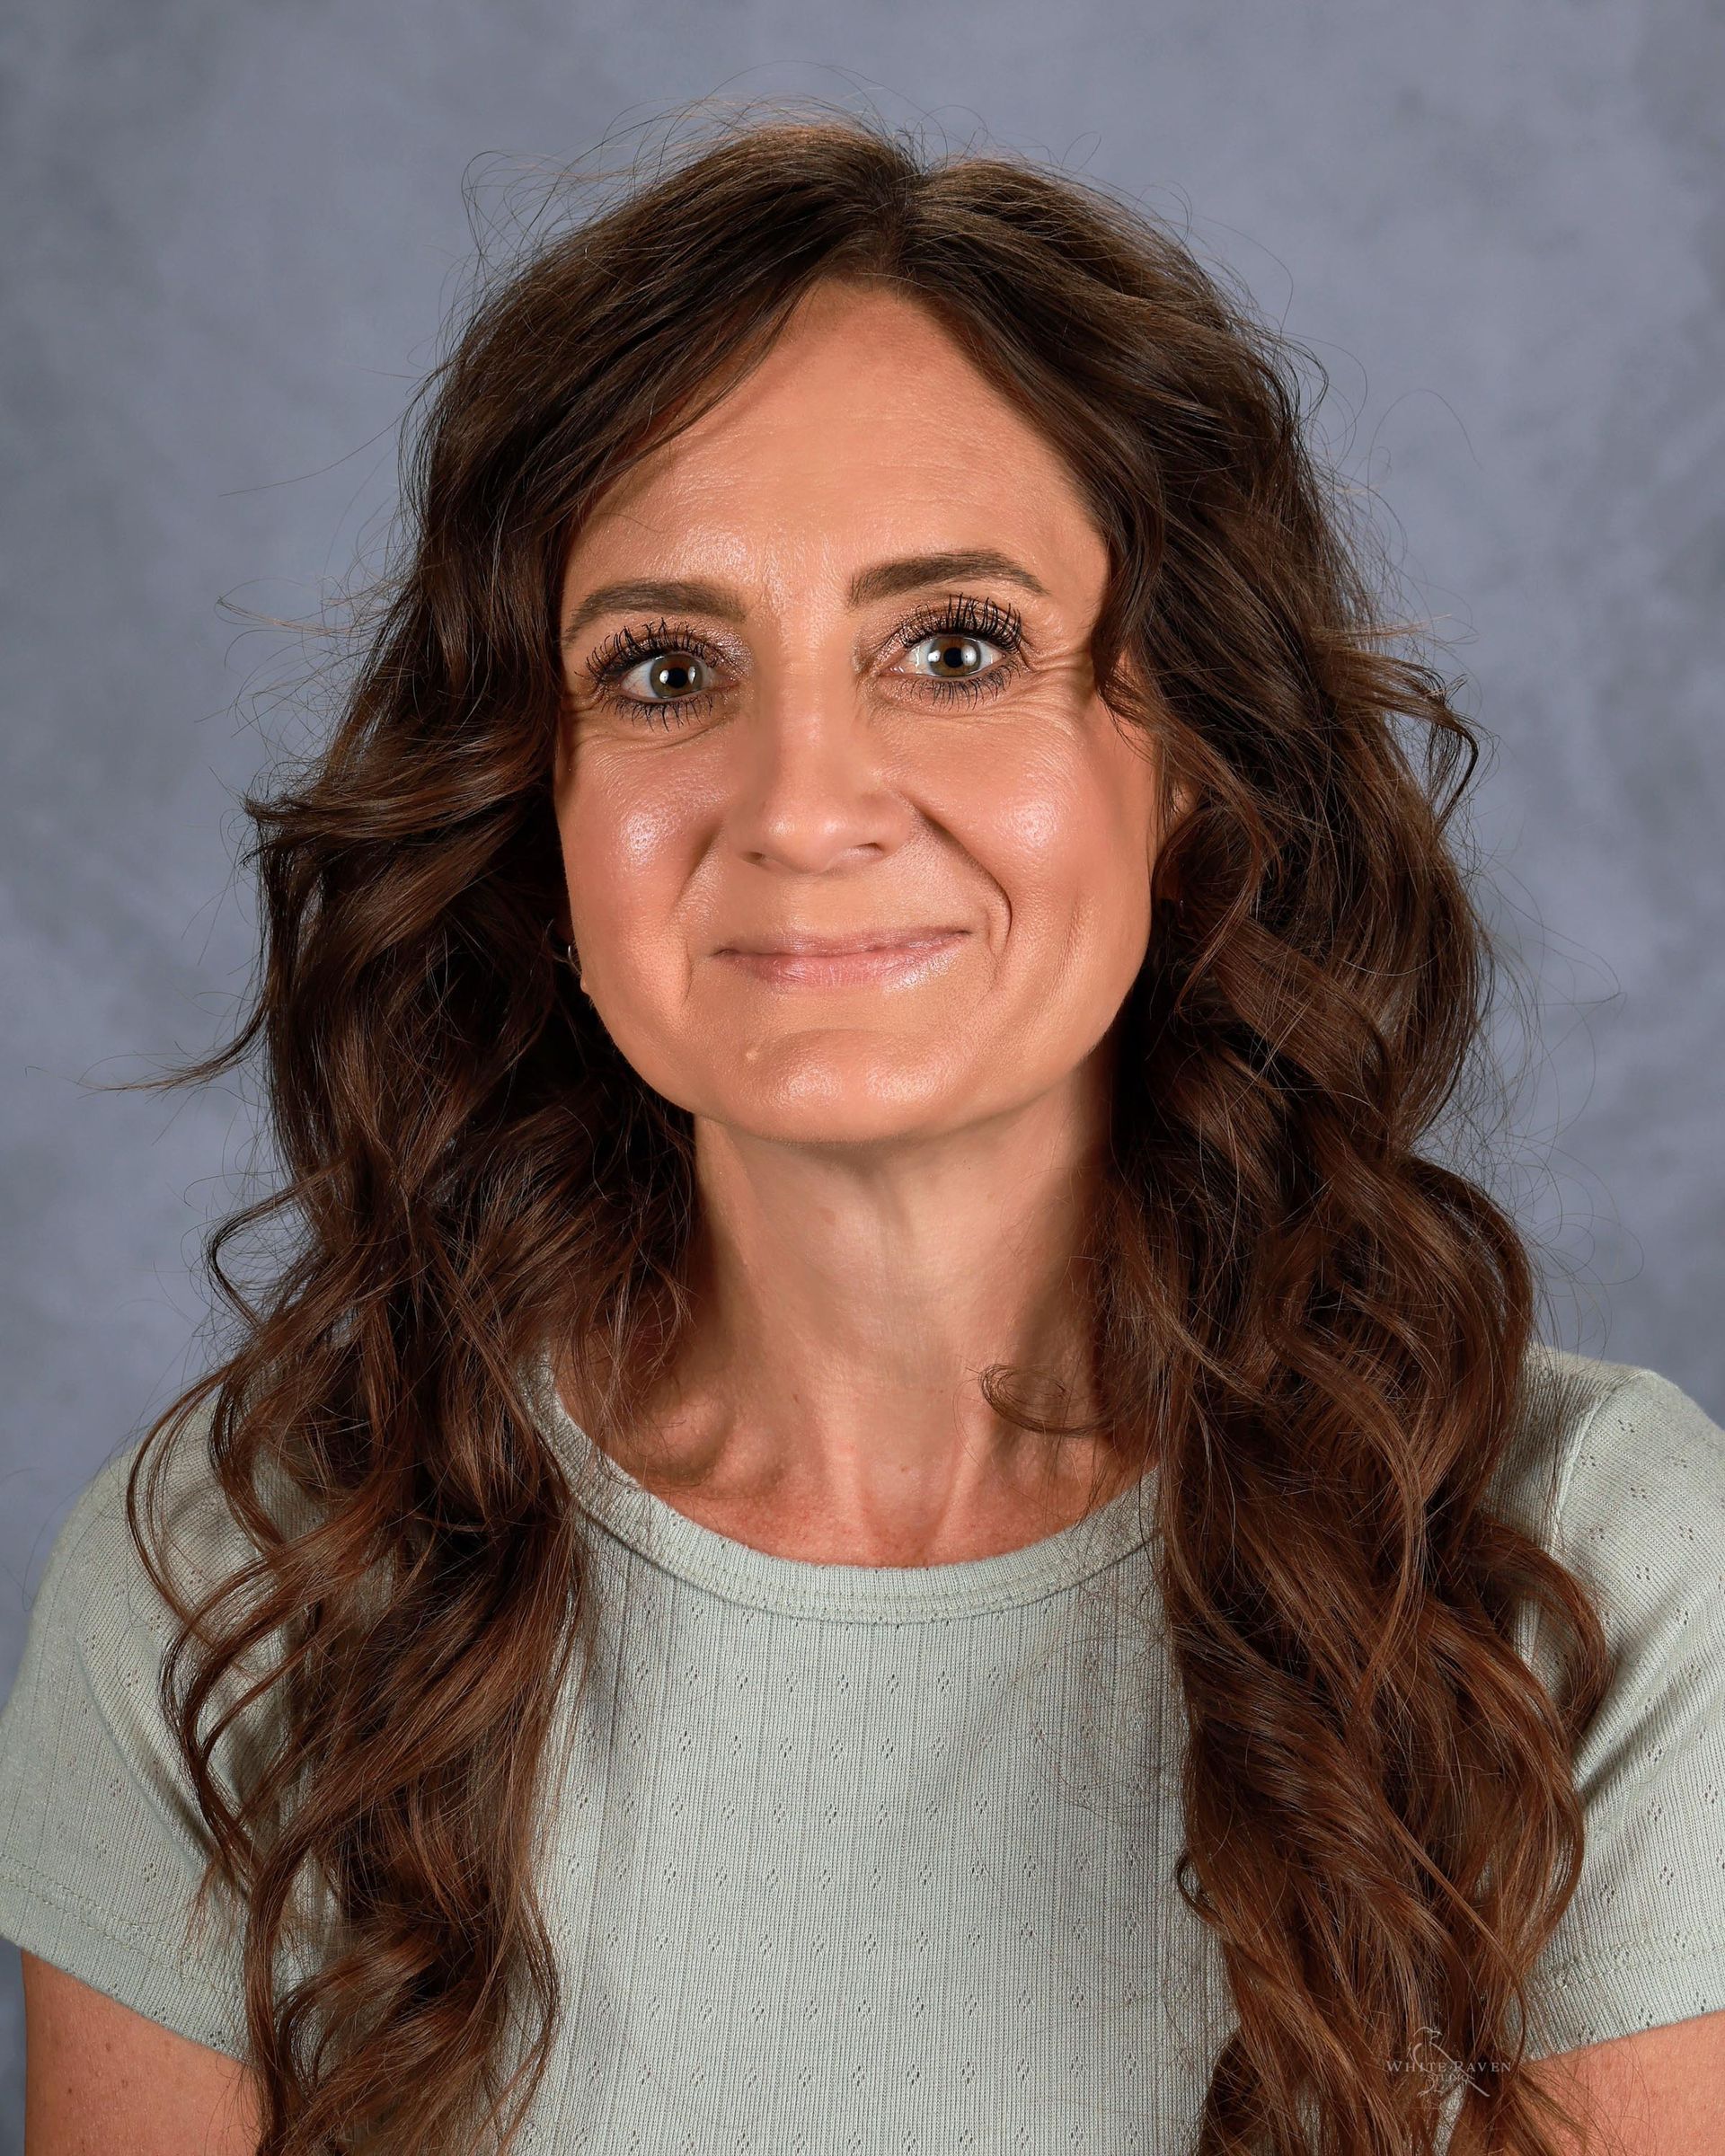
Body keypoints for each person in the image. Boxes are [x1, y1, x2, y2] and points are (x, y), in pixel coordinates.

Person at [4, 103, 1723, 2156]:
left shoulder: (1589, 1582)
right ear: (535, 806)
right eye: (661, 668)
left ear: (1188, 764)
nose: (802, 802)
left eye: (959, 647)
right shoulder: (242, 1578)